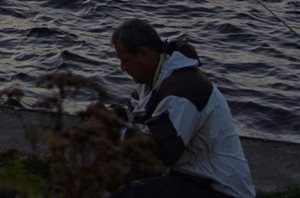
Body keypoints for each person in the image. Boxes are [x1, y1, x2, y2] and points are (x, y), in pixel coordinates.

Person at [108, 17, 256, 198]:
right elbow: (134, 112)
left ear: (143, 53)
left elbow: (162, 150)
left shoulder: (185, 87)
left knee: (132, 194)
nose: (122, 67)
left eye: (125, 60)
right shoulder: (154, 79)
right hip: (189, 177)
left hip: (218, 189)